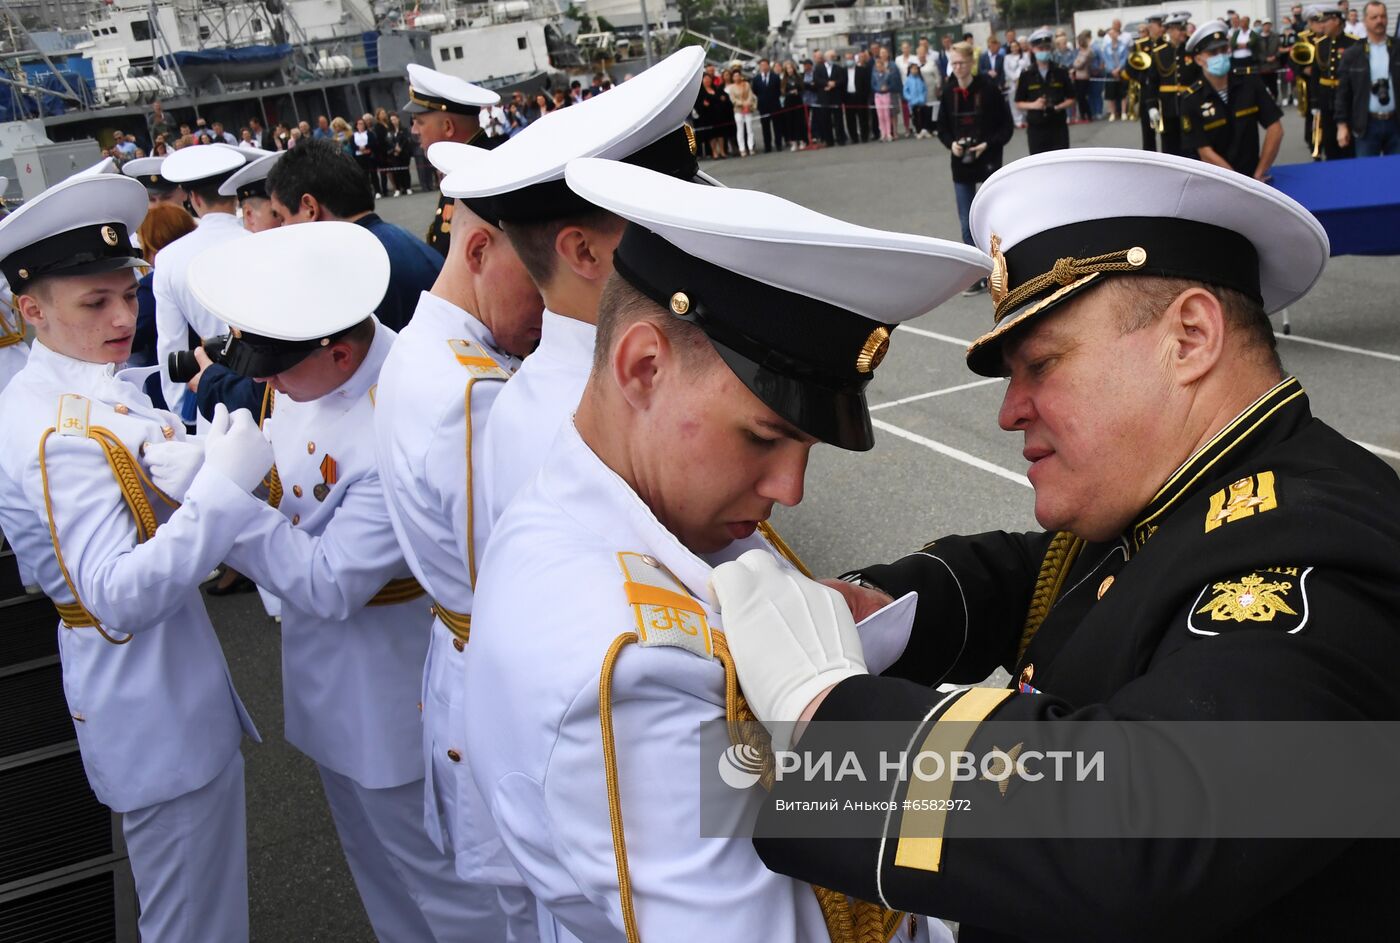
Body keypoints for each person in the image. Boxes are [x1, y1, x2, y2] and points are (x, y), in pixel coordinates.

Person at [715, 147, 1398, 941]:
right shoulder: (1198, 493)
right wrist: (886, 608)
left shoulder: (1327, 558)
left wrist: (828, 720)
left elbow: (1146, 828)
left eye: (1040, 363)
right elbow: (1058, 579)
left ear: (1190, 336)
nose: (1010, 410)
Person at [461, 150, 986, 942]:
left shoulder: (633, 514)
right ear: (644, 367)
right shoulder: (627, 665)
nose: (791, 487)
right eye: (764, 436)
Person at [149, 221, 500, 941]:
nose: (266, 384)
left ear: (340, 350)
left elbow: (331, 580)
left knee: (445, 891)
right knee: (379, 873)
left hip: (390, 695)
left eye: (277, 369)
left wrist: (219, 502)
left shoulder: (393, 414)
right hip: (329, 685)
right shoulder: (312, 364)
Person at [0, 172, 264, 943]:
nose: (124, 316)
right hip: (153, 705)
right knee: (193, 924)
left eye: (128, 292)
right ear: (31, 309)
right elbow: (114, 594)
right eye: (96, 302)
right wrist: (218, 488)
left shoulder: (64, 393)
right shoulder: (57, 433)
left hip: (158, 693)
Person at [373, 140, 544, 938]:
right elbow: (519, 590)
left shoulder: (427, 348)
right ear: (478, 249)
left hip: (463, 666)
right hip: (504, 695)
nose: (548, 307)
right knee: (534, 911)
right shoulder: (474, 395)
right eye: (536, 277)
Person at [265, 138, 442, 332]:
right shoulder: (412, 245)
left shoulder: (347, 276)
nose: (282, 228)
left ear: (309, 208)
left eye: (281, 217)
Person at [152, 145, 252, 425]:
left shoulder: (169, 258)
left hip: (213, 385)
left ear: (193, 198)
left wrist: (181, 408)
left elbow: (170, 342)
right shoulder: (257, 240)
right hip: (270, 384)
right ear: (234, 194)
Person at [404, 64, 503, 258]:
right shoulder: (463, 166)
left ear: (448, 127)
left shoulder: (485, 175)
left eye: (419, 122)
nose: (414, 130)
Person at [938, 41, 1011, 296]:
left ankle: (1000, 268)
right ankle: (977, 274)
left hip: (987, 158)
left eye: (961, 62)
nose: (957, 67)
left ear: (971, 63)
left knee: (993, 216)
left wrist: (985, 144)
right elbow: (942, 128)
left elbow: (1006, 128)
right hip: (961, 164)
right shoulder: (948, 93)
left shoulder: (989, 90)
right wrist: (952, 145)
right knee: (965, 220)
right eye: (953, 63)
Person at [1182, 20, 1285, 179]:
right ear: (1198, 60)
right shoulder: (1191, 98)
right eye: (1213, 53)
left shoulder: (1250, 82)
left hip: (1254, 178)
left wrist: (1259, 172)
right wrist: (1237, 182)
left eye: (1223, 49)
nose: (1220, 56)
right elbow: (1204, 151)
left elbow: (1275, 128)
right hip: (1216, 181)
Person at [1336, 1, 1400, 155]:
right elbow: (1342, 92)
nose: (1379, 20)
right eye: (1374, 17)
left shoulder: (1397, 49)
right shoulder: (1353, 54)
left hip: (1396, 124)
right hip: (1366, 125)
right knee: (1367, 175)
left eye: (1383, 16)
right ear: (1365, 21)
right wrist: (1342, 125)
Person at [1016, 29, 1074, 154]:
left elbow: (1071, 98)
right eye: (1040, 49)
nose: (1044, 52)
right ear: (1033, 49)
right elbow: (1018, 102)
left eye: (1046, 48)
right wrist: (1033, 105)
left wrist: (1059, 106)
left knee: (1061, 163)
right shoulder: (1026, 74)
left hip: (1058, 125)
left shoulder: (1060, 71)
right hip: (1036, 127)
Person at [1313, 4, 1359, 158]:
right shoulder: (1320, 44)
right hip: (1326, 97)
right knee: (1329, 139)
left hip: (1347, 98)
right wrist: (1314, 103)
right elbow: (1315, 75)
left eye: (1325, 21)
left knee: (1348, 139)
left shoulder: (1354, 43)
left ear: (1337, 21)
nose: (1322, 25)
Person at [1127, 13, 1169, 149]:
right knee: (1147, 132)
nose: (1151, 28)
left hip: (1164, 92)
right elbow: (1130, 68)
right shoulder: (1140, 45)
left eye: (1154, 25)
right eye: (1151, 25)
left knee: (1167, 132)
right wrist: (1143, 79)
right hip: (1147, 92)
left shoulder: (1167, 44)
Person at [815, 50, 846, 146]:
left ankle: (841, 139)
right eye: (831, 56)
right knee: (826, 120)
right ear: (826, 58)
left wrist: (834, 84)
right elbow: (816, 79)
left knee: (838, 119)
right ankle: (829, 140)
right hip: (824, 98)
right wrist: (827, 83)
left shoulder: (839, 68)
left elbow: (842, 80)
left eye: (834, 56)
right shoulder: (819, 68)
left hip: (836, 97)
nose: (833, 58)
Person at [753, 57, 784, 152]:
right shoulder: (757, 78)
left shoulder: (775, 77)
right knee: (765, 127)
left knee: (777, 126)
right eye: (762, 65)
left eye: (765, 65)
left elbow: (778, 90)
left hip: (774, 104)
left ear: (768, 66)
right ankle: (767, 146)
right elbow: (755, 91)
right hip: (763, 106)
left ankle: (778, 144)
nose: (764, 67)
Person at [1100, 23, 1130, 120]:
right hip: (1110, 72)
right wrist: (1112, 70)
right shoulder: (1106, 47)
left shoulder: (1123, 46)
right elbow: (1106, 60)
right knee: (1111, 94)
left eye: (1114, 33)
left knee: (1123, 93)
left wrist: (1118, 69)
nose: (1113, 35)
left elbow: (1125, 58)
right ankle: (1113, 113)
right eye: (1110, 34)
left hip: (1121, 72)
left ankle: (1123, 112)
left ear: (1117, 34)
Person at [727, 68, 759, 156]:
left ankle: (751, 147)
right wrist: (742, 103)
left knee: (749, 129)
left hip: (748, 109)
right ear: (732, 78)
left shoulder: (746, 84)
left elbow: (750, 95)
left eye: (738, 75)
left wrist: (747, 103)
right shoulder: (732, 87)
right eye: (735, 76)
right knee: (740, 129)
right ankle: (742, 148)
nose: (736, 77)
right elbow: (733, 99)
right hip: (738, 110)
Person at [845, 50, 874, 144]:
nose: (849, 60)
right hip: (848, 97)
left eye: (850, 58)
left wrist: (865, 96)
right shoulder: (843, 71)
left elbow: (867, 84)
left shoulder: (862, 70)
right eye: (847, 59)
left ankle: (864, 136)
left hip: (860, 97)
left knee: (863, 117)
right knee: (850, 119)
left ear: (854, 59)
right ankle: (854, 138)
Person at [872, 55, 899, 141]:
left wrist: (886, 88)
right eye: (877, 67)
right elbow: (873, 85)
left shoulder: (888, 75)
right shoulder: (874, 75)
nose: (879, 68)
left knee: (887, 115)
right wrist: (879, 89)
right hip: (878, 96)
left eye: (881, 66)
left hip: (886, 95)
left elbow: (892, 84)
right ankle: (883, 133)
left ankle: (888, 133)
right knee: (880, 116)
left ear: (883, 66)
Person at [782, 59, 807, 149]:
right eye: (787, 69)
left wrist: (798, 91)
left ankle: (802, 140)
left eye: (791, 68)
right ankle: (793, 142)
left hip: (798, 101)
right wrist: (789, 93)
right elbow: (782, 92)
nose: (789, 70)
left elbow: (803, 89)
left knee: (799, 121)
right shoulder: (784, 80)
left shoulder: (798, 78)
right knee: (790, 122)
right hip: (788, 103)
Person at [904, 63, 932, 138]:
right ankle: (918, 130)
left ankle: (925, 130)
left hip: (922, 101)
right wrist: (910, 98)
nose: (914, 70)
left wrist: (923, 97)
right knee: (916, 117)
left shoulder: (921, 79)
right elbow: (905, 91)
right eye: (913, 69)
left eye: (916, 69)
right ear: (910, 70)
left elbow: (924, 89)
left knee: (924, 115)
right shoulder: (908, 80)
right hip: (913, 102)